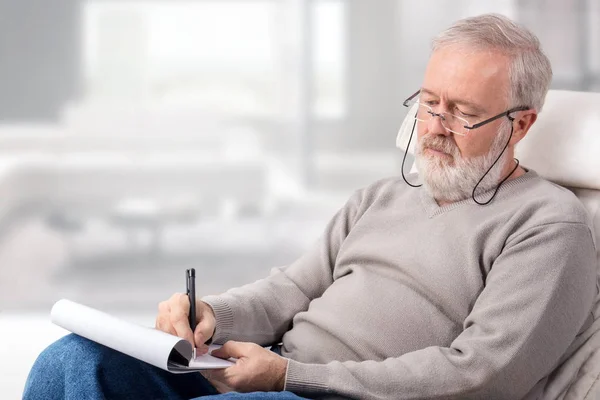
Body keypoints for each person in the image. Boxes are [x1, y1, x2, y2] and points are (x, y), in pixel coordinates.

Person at [24, 13, 597, 400]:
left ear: (521, 124)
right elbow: (290, 291)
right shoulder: (380, 197)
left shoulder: (549, 225)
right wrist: (213, 315)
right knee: (71, 362)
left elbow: (486, 375)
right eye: (428, 104)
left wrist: (291, 374)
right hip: (270, 374)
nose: (435, 128)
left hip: (335, 393)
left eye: (462, 112)